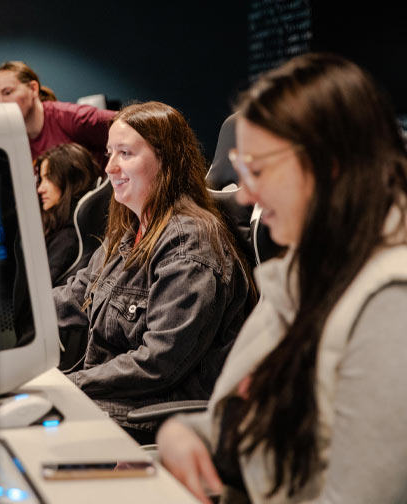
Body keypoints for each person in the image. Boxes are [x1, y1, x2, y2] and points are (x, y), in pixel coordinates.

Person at [156, 53, 407, 504]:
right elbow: (267, 416)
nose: (244, 194)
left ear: (329, 165)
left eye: (257, 170)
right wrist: (183, 433)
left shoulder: (403, 300)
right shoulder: (326, 259)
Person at [52, 101, 256, 444]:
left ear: (165, 160)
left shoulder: (191, 244)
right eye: (109, 153)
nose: (111, 167)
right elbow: (75, 296)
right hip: (113, 403)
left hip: (154, 416)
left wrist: (67, 385)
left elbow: (158, 362)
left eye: (125, 153)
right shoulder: (130, 231)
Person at [0, 61, 115, 169]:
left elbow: (130, 122)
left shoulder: (70, 117)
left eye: (8, 92)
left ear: (33, 89)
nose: (1, 103)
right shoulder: (11, 139)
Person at [35, 142, 100, 285]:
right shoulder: (67, 225)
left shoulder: (67, 237)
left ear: (71, 180)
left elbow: (39, 292)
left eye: (49, 178)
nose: (40, 189)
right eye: (41, 179)